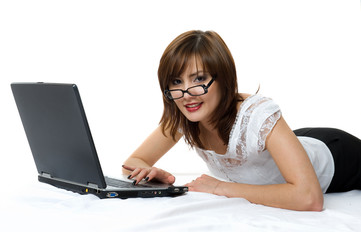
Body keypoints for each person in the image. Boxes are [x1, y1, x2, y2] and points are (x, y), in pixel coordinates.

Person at [122, 30, 361, 211]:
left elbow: (309, 197)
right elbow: (132, 163)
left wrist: (219, 188)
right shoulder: (184, 113)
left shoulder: (258, 114)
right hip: (291, 145)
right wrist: (152, 174)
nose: (186, 93)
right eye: (176, 82)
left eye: (199, 78)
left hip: (339, 155)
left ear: (223, 78)